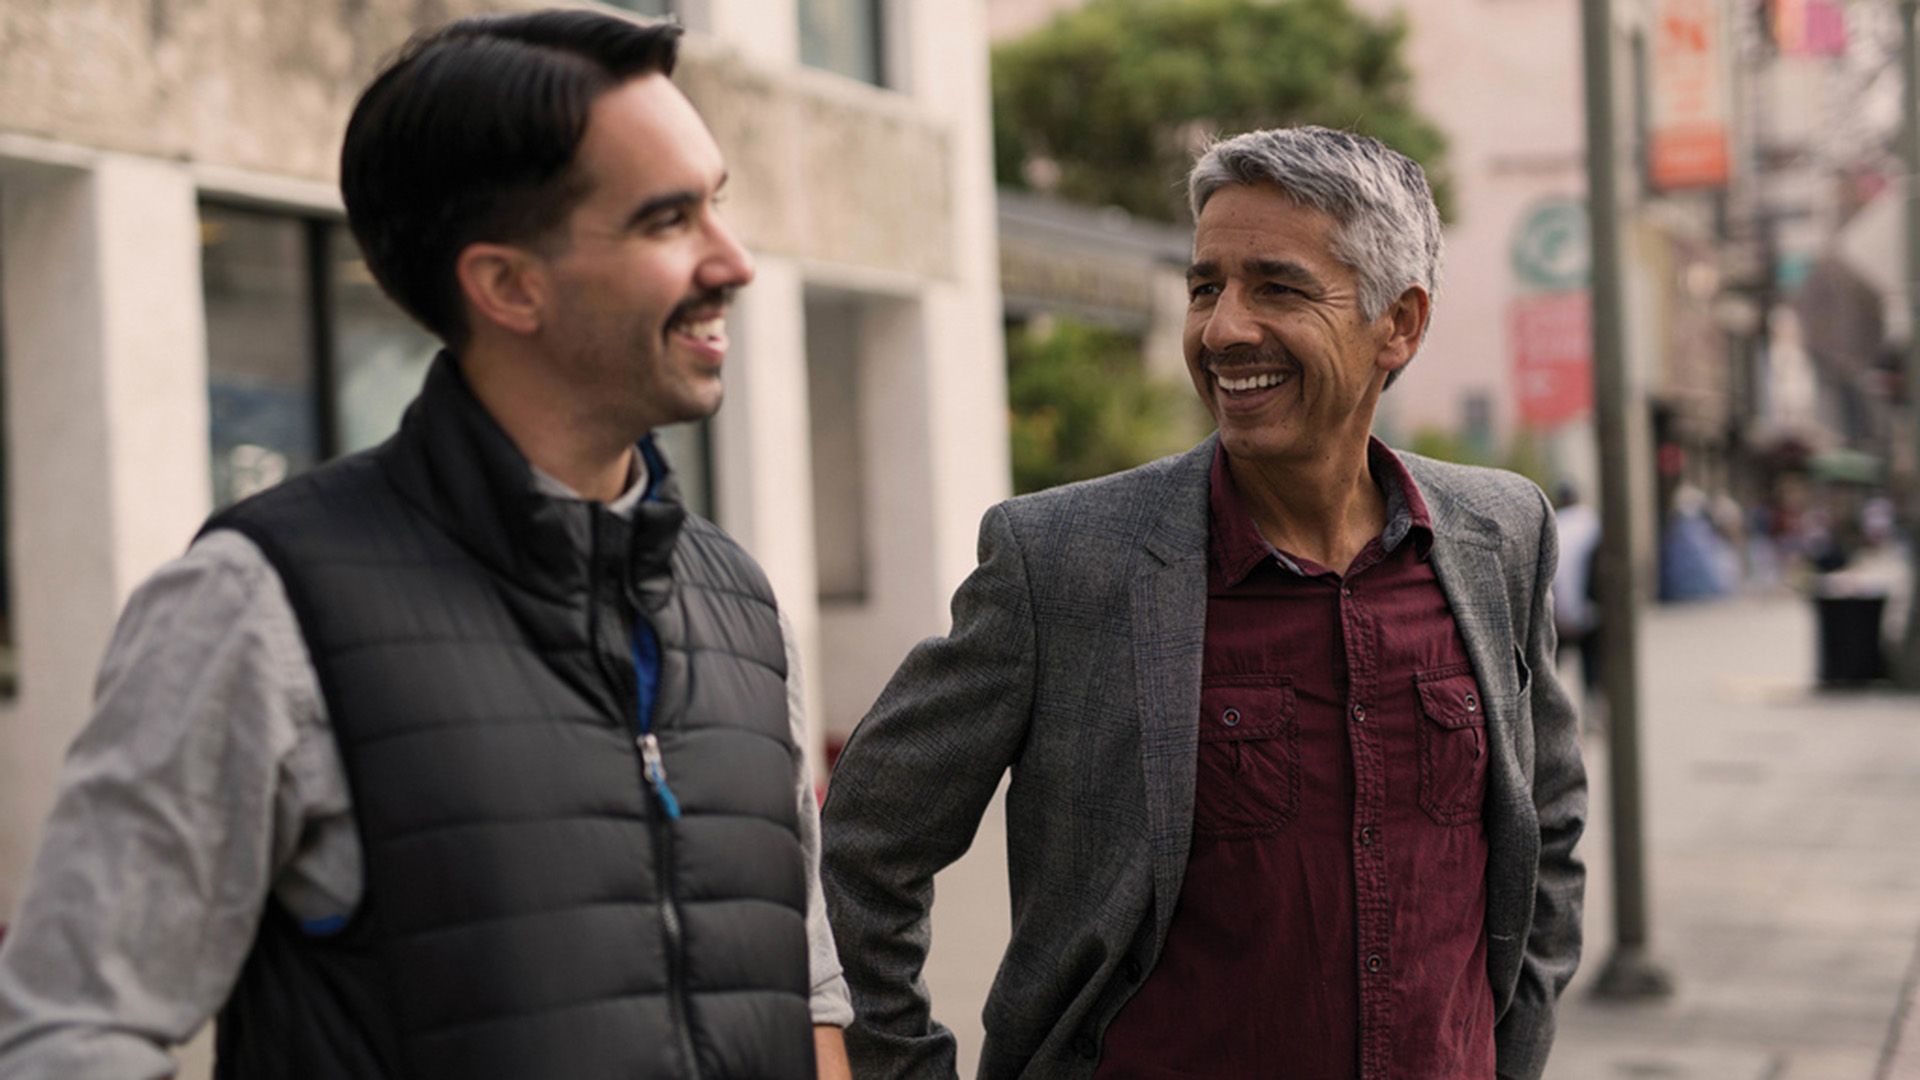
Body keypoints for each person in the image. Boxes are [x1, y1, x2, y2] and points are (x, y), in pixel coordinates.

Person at [0, 12, 852, 1079]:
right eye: (667, 220)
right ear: (506, 286)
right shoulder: (258, 605)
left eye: (714, 204)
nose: (733, 262)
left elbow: (802, 989)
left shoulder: (742, 607)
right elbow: (71, 1032)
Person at [822, 127, 1586, 1079]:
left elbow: (1546, 818)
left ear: (1401, 324)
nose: (1223, 329)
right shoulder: (1061, 563)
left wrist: (1512, 1054)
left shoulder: (1498, 536)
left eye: (1277, 286)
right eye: (1203, 286)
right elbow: (862, 842)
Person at [1551, 481, 1603, 701]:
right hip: (1589, 607)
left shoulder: (1554, 524)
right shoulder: (1590, 521)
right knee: (1591, 661)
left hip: (1556, 610)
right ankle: (1592, 702)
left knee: (1552, 667)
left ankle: (1551, 710)